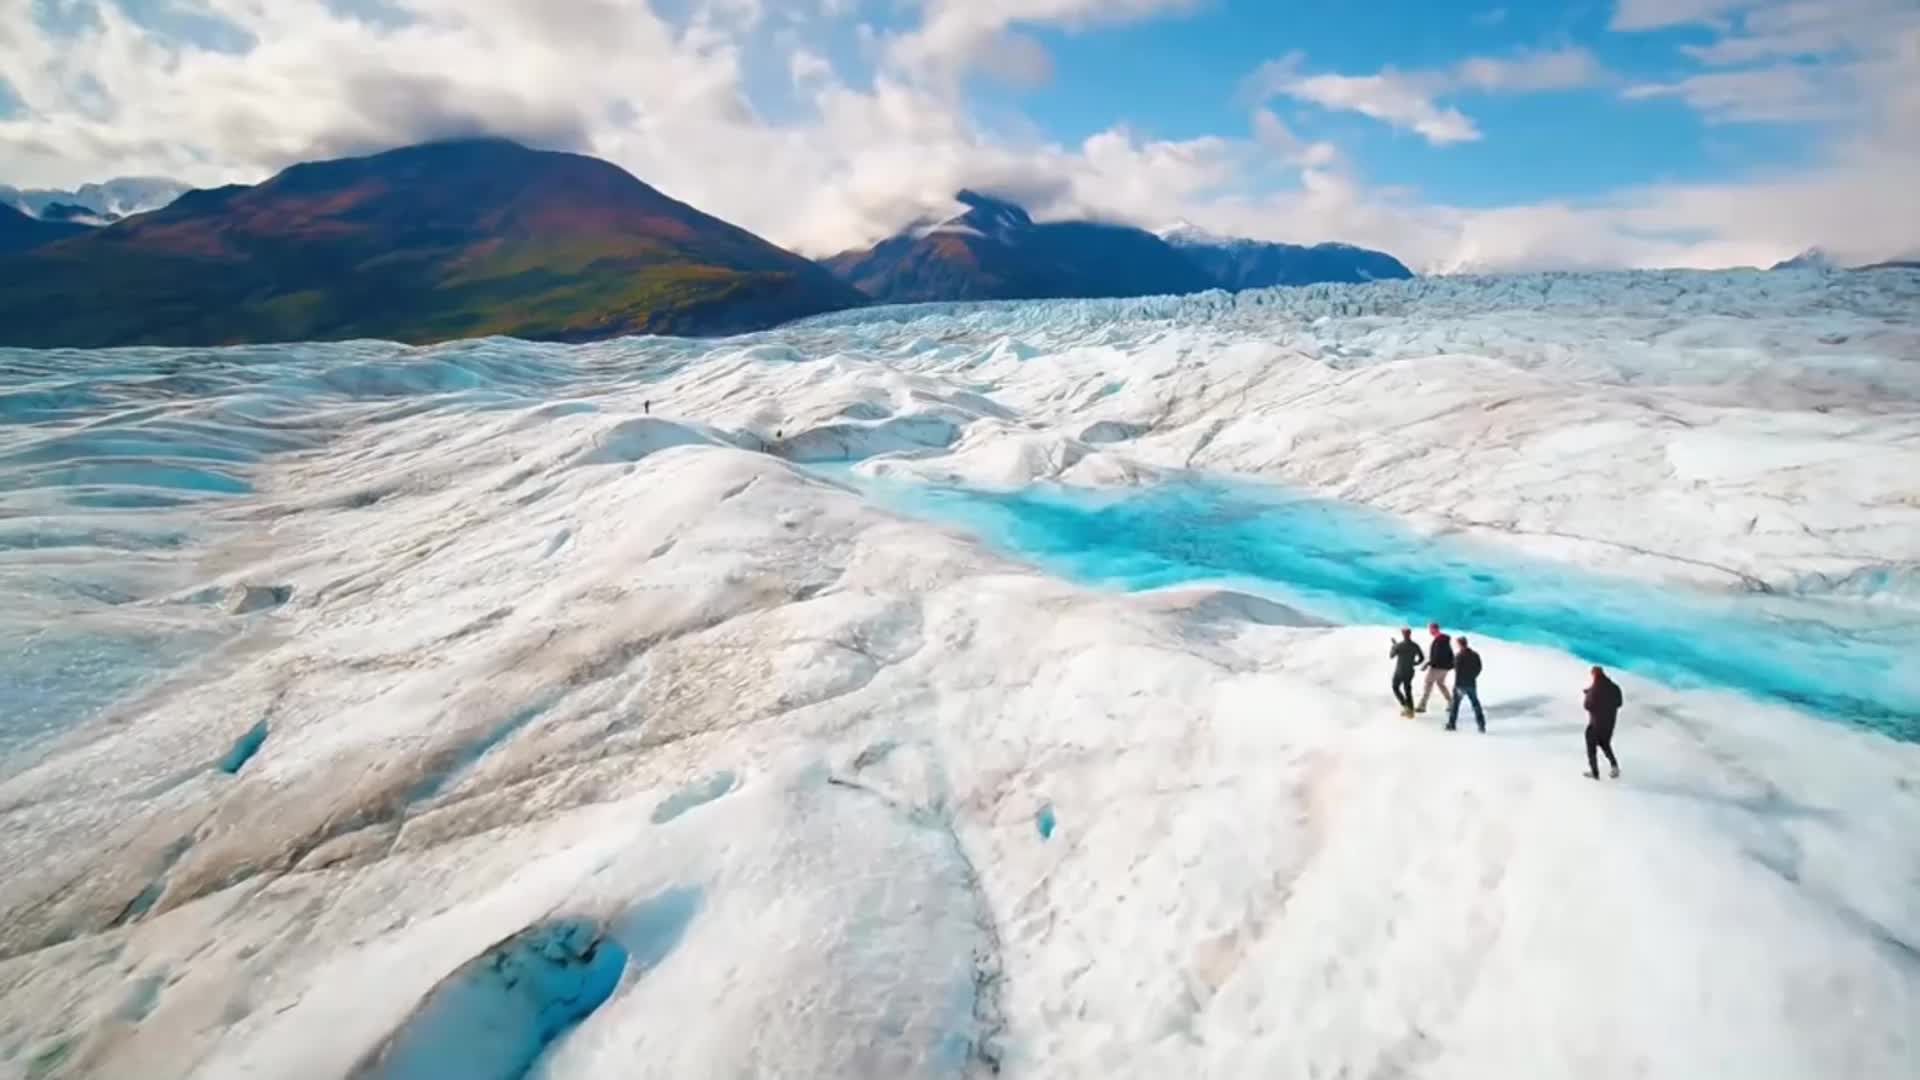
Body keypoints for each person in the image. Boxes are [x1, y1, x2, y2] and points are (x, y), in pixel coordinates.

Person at [1583, 666, 1623, 780]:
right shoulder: (1614, 687)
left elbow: (1587, 706)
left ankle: (1595, 772)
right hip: (1609, 723)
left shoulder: (1594, 690)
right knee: (1605, 744)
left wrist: (1588, 695)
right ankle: (1614, 766)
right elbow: (1619, 703)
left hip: (1595, 725)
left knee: (1591, 748)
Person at [1448, 635, 1485, 732]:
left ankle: (1452, 724)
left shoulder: (1459, 656)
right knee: (1476, 705)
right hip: (1471, 683)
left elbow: (1457, 670)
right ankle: (1481, 725)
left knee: (1455, 705)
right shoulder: (1475, 655)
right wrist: (1473, 676)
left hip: (1460, 684)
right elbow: (1479, 667)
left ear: (1459, 644)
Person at [1417, 622, 1455, 714]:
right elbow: (1450, 654)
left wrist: (1427, 664)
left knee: (1428, 682)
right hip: (1445, 668)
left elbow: (1437, 656)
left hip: (1437, 667)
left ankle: (1422, 705)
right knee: (1440, 684)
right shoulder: (1445, 640)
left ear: (1435, 629)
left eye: (1430, 629)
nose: (1429, 631)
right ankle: (1451, 703)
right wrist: (1450, 666)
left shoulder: (1438, 641)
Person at [1388, 628, 1424, 718]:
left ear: (1402, 634)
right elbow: (1422, 658)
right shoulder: (1415, 645)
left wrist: (1393, 646)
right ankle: (1410, 711)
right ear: (1410, 634)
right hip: (1409, 671)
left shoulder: (1399, 645)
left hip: (1399, 671)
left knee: (1395, 687)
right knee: (1408, 690)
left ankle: (1405, 706)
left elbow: (1391, 656)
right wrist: (1415, 663)